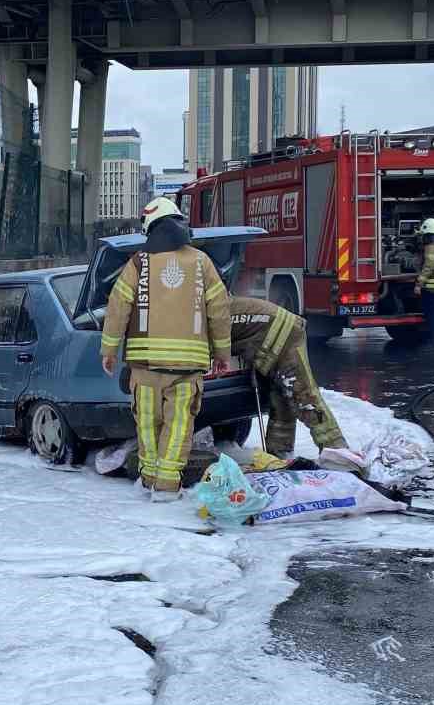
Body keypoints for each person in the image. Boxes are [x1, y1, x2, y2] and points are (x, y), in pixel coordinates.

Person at [101, 198, 232, 501]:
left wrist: (108, 348)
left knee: (147, 423)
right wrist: (223, 354)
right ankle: (167, 487)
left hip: (145, 366)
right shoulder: (201, 262)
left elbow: (118, 305)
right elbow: (220, 310)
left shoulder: (138, 263)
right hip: (188, 367)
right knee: (178, 427)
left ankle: (148, 480)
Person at [228, 296, 348, 459]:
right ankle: (280, 452)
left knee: (304, 397)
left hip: (286, 336)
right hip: (280, 333)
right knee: (281, 398)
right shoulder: (215, 307)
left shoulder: (209, 315)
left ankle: (337, 451)